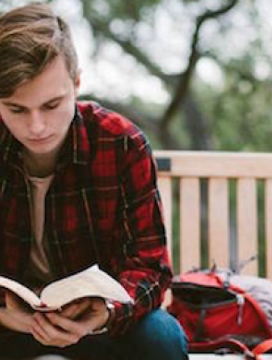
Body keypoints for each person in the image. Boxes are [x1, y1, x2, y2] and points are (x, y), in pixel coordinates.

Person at [0, 3, 188, 360]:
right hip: (8, 325)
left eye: (52, 104)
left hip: (97, 323)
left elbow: (151, 267)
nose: (36, 127)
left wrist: (105, 312)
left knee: (161, 339)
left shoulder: (121, 144)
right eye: (16, 109)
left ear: (77, 84)